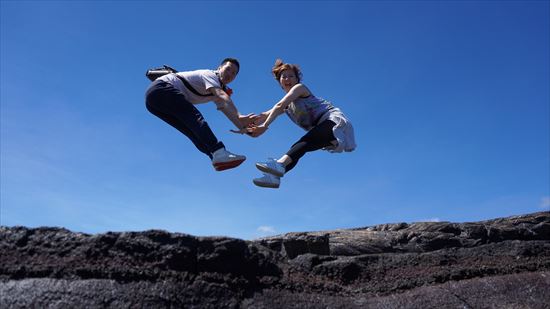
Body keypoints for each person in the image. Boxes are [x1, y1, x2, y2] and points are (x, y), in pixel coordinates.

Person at [248, 59, 356, 188]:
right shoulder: (288, 106)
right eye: (284, 77)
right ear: (280, 82)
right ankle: (274, 178)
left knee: (305, 141)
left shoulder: (300, 88)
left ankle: (279, 164)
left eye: (291, 76)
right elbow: (265, 115)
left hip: (333, 121)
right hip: (323, 130)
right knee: (299, 147)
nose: (287, 79)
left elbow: (279, 105)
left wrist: (265, 126)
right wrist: (245, 126)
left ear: (297, 79)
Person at [145, 58, 257, 171]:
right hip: (162, 88)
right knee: (195, 118)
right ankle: (219, 152)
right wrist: (239, 115)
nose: (230, 74)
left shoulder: (219, 88)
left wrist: (244, 129)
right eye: (228, 69)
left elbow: (226, 109)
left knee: (190, 130)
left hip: (153, 102)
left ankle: (216, 157)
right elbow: (223, 96)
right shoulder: (210, 75)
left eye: (234, 73)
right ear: (219, 68)